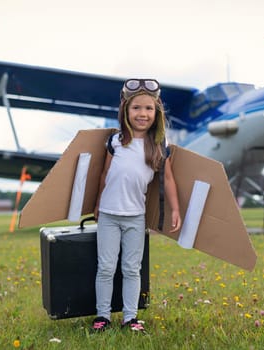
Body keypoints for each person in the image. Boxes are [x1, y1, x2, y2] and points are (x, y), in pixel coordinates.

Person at [92, 78, 182, 333]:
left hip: (136, 218)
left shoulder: (159, 145)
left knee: (132, 269)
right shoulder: (115, 141)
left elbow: (167, 178)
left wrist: (175, 209)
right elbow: (104, 174)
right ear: (125, 111)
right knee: (106, 267)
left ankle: (130, 318)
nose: (142, 114)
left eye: (149, 109)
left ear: (157, 113)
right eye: (136, 108)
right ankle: (103, 316)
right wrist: (98, 203)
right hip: (109, 215)